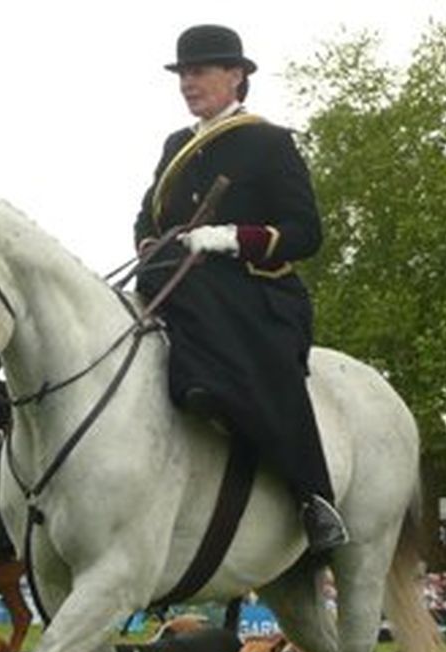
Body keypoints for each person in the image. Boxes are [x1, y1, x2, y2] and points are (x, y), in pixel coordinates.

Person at [133, 24, 345, 556]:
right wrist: (153, 245)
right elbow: (146, 216)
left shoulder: (269, 143)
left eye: (199, 71)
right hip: (179, 287)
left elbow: (306, 233)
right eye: (183, 73)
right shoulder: (176, 146)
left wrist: (232, 238)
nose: (187, 82)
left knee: (267, 363)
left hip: (254, 293)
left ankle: (313, 496)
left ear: (236, 76)